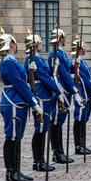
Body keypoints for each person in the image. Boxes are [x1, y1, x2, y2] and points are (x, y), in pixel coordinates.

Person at [0, 27, 43, 181]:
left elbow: (22, 79)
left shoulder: (11, 61)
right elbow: (19, 84)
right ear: (10, 45)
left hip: (17, 101)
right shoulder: (8, 62)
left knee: (17, 136)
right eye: (14, 44)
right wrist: (33, 102)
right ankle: (11, 171)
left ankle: (15, 169)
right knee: (12, 137)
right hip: (13, 101)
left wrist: (29, 69)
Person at [24, 30, 63, 172]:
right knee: (39, 129)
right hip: (40, 95)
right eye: (39, 43)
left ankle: (40, 160)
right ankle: (38, 160)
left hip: (45, 96)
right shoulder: (31, 58)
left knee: (43, 128)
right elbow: (44, 78)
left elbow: (48, 74)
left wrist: (55, 67)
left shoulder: (38, 58)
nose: (41, 44)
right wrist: (58, 91)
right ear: (34, 45)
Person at [48, 27, 85, 164]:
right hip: (60, 88)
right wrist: (74, 89)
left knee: (60, 122)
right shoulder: (55, 54)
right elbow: (61, 73)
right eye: (63, 38)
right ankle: (57, 152)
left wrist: (75, 64)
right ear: (60, 39)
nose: (64, 40)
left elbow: (68, 70)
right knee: (56, 122)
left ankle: (60, 150)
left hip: (65, 88)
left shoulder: (61, 54)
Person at [71, 37, 91, 155]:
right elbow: (83, 79)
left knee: (84, 119)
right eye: (83, 47)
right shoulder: (75, 62)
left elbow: (88, 76)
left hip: (87, 94)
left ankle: (82, 144)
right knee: (79, 119)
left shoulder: (82, 61)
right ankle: (78, 145)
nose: (85, 49)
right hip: (82, 93)